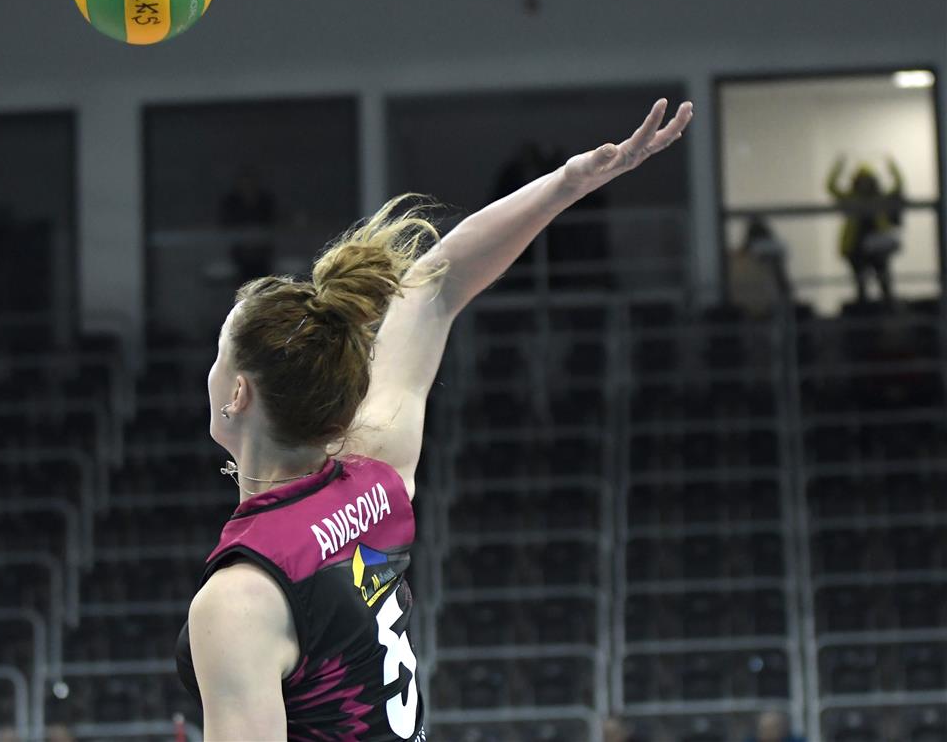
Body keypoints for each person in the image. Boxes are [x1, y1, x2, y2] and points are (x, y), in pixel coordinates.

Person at [175, 99, 693, 739]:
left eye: (218, 354)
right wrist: (567, 185)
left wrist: (569, 183)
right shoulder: (374, 479)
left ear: (238, 394)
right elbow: (435, 286)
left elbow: (436, 282)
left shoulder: (239, 600)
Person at [827, 154, 904, 307]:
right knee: (860, 282)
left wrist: (891, 165)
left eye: (867, 180)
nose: (864, 184)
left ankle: (888, 305)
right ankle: (863, 307)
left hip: (877, 246)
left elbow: (898, 186)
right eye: (861, 180)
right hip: (855, 246)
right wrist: (839, 166)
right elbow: (831, 187)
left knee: (883, 279)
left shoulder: (879, 198)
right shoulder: (851, 198)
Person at [219, 167, 279, 285]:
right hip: (239, 249)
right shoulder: (231, 202)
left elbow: (272, 222)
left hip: (262, 249)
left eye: (250, 183)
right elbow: (225, 223)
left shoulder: (266, 201)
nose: (247, 186)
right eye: (244, 183)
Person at [727, 214, 791, 318]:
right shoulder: (768, 256)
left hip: (742, 311)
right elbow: (784, 286)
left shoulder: (737, 258)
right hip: (763, 309)